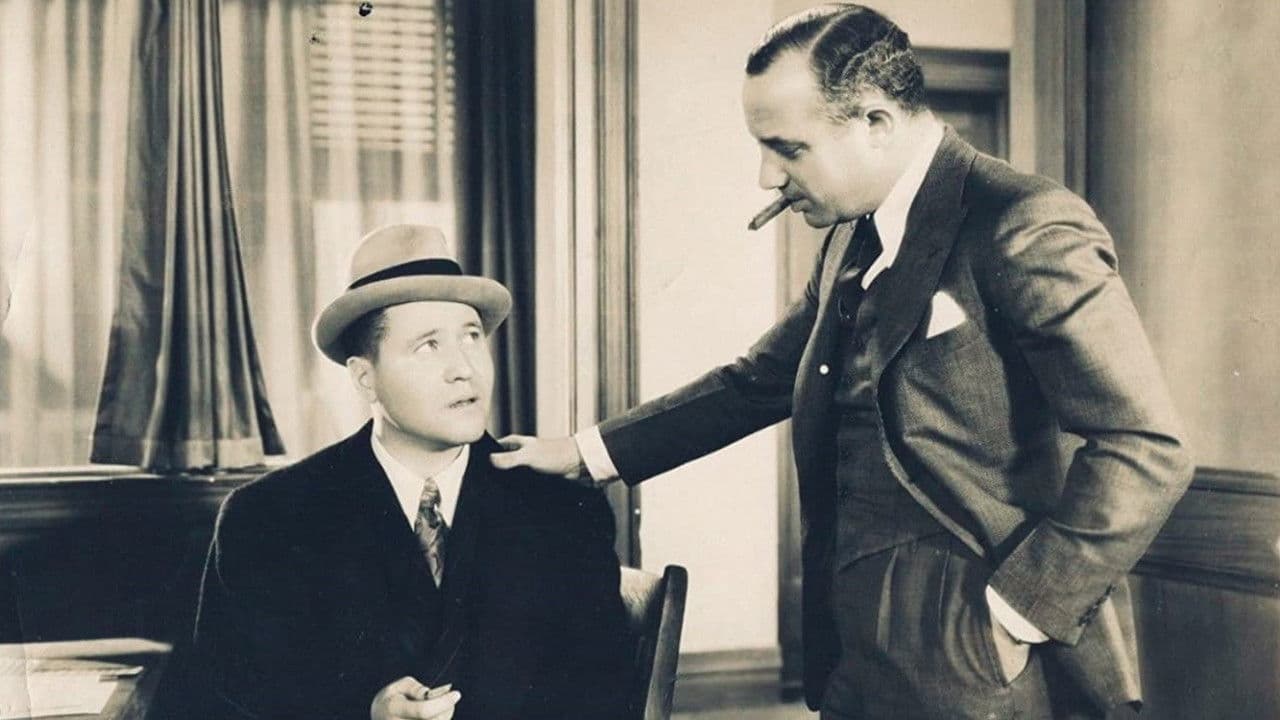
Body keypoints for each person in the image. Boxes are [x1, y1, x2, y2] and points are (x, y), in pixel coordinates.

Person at [492, 5, 1193, 719]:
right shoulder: (850, 239)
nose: (767, 176)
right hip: (853, 642)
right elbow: (759, 380)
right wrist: (584, 453)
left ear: (876, 122)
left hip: (976, 647)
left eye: (788, 149)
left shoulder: (1022, 220)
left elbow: (1146, 446)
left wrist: (1018, 614)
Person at [192, 224, 632, 720]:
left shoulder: (564, 511)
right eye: (428, 346)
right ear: (365, 378)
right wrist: (366, 713)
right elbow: (227, 700)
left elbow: (601, 701)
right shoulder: (267, 517)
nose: (464, 368)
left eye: (471, 337)